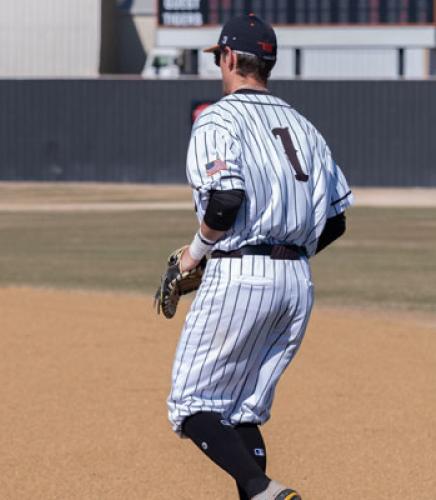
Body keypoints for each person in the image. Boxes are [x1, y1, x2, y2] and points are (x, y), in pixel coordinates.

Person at [167, 14, 353, 500]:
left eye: (219, 58)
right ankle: (257, 494)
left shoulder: (218, 117)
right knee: (243, 409)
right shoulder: (304, 125)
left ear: (228, 58)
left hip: (241, 273)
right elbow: (335, 221)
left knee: (191, 404)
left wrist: (194, 255)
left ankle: (262, 489)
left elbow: (224, 201)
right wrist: (287, 255)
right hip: (297, 281)